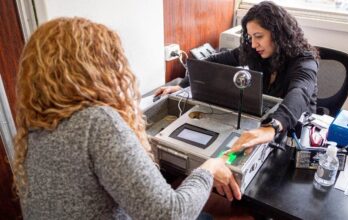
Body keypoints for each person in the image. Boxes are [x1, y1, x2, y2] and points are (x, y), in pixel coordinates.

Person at [13, 17, 241, 220]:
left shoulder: (34, 128)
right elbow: (171, 213)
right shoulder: (96, 121)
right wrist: (208, 169)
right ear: (97, 69)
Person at [155, 1, 319, 153]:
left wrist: (271, 127)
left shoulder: (305, 61)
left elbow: (299, 92)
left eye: (259, 36)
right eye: (251, 37)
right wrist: (182, 86)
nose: (254, 44)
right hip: (261, 124)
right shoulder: (254, 53)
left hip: (293, 134)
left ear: (278, 34)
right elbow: (211, 62)